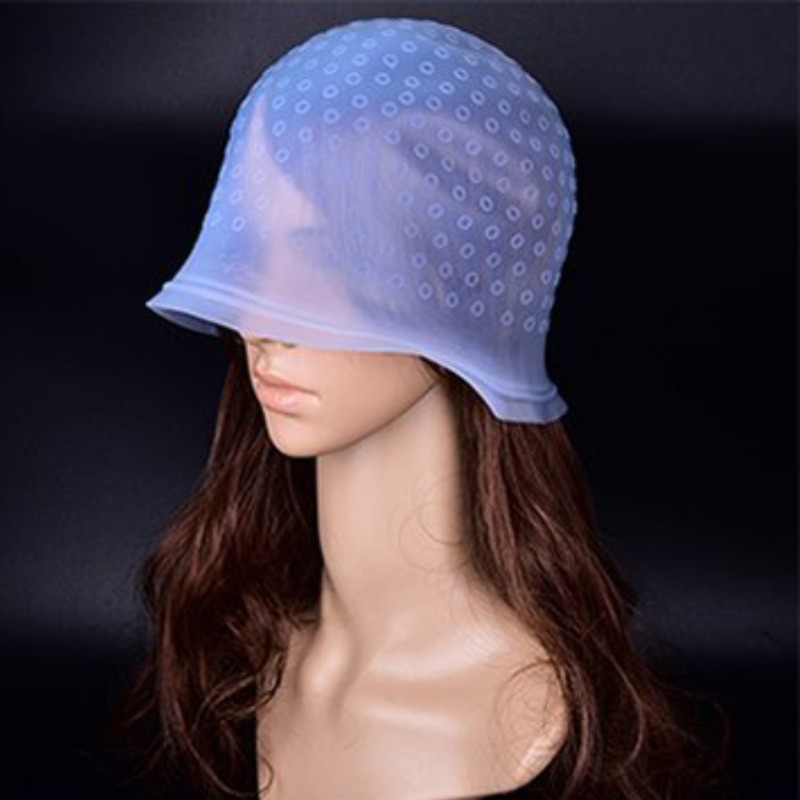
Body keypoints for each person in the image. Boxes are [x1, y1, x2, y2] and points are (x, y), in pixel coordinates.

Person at [115, 16, 728, 800]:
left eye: (325, 259)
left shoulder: (510, 709)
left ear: (459, 286)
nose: (259, 320)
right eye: (255, 251)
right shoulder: (248, 651)